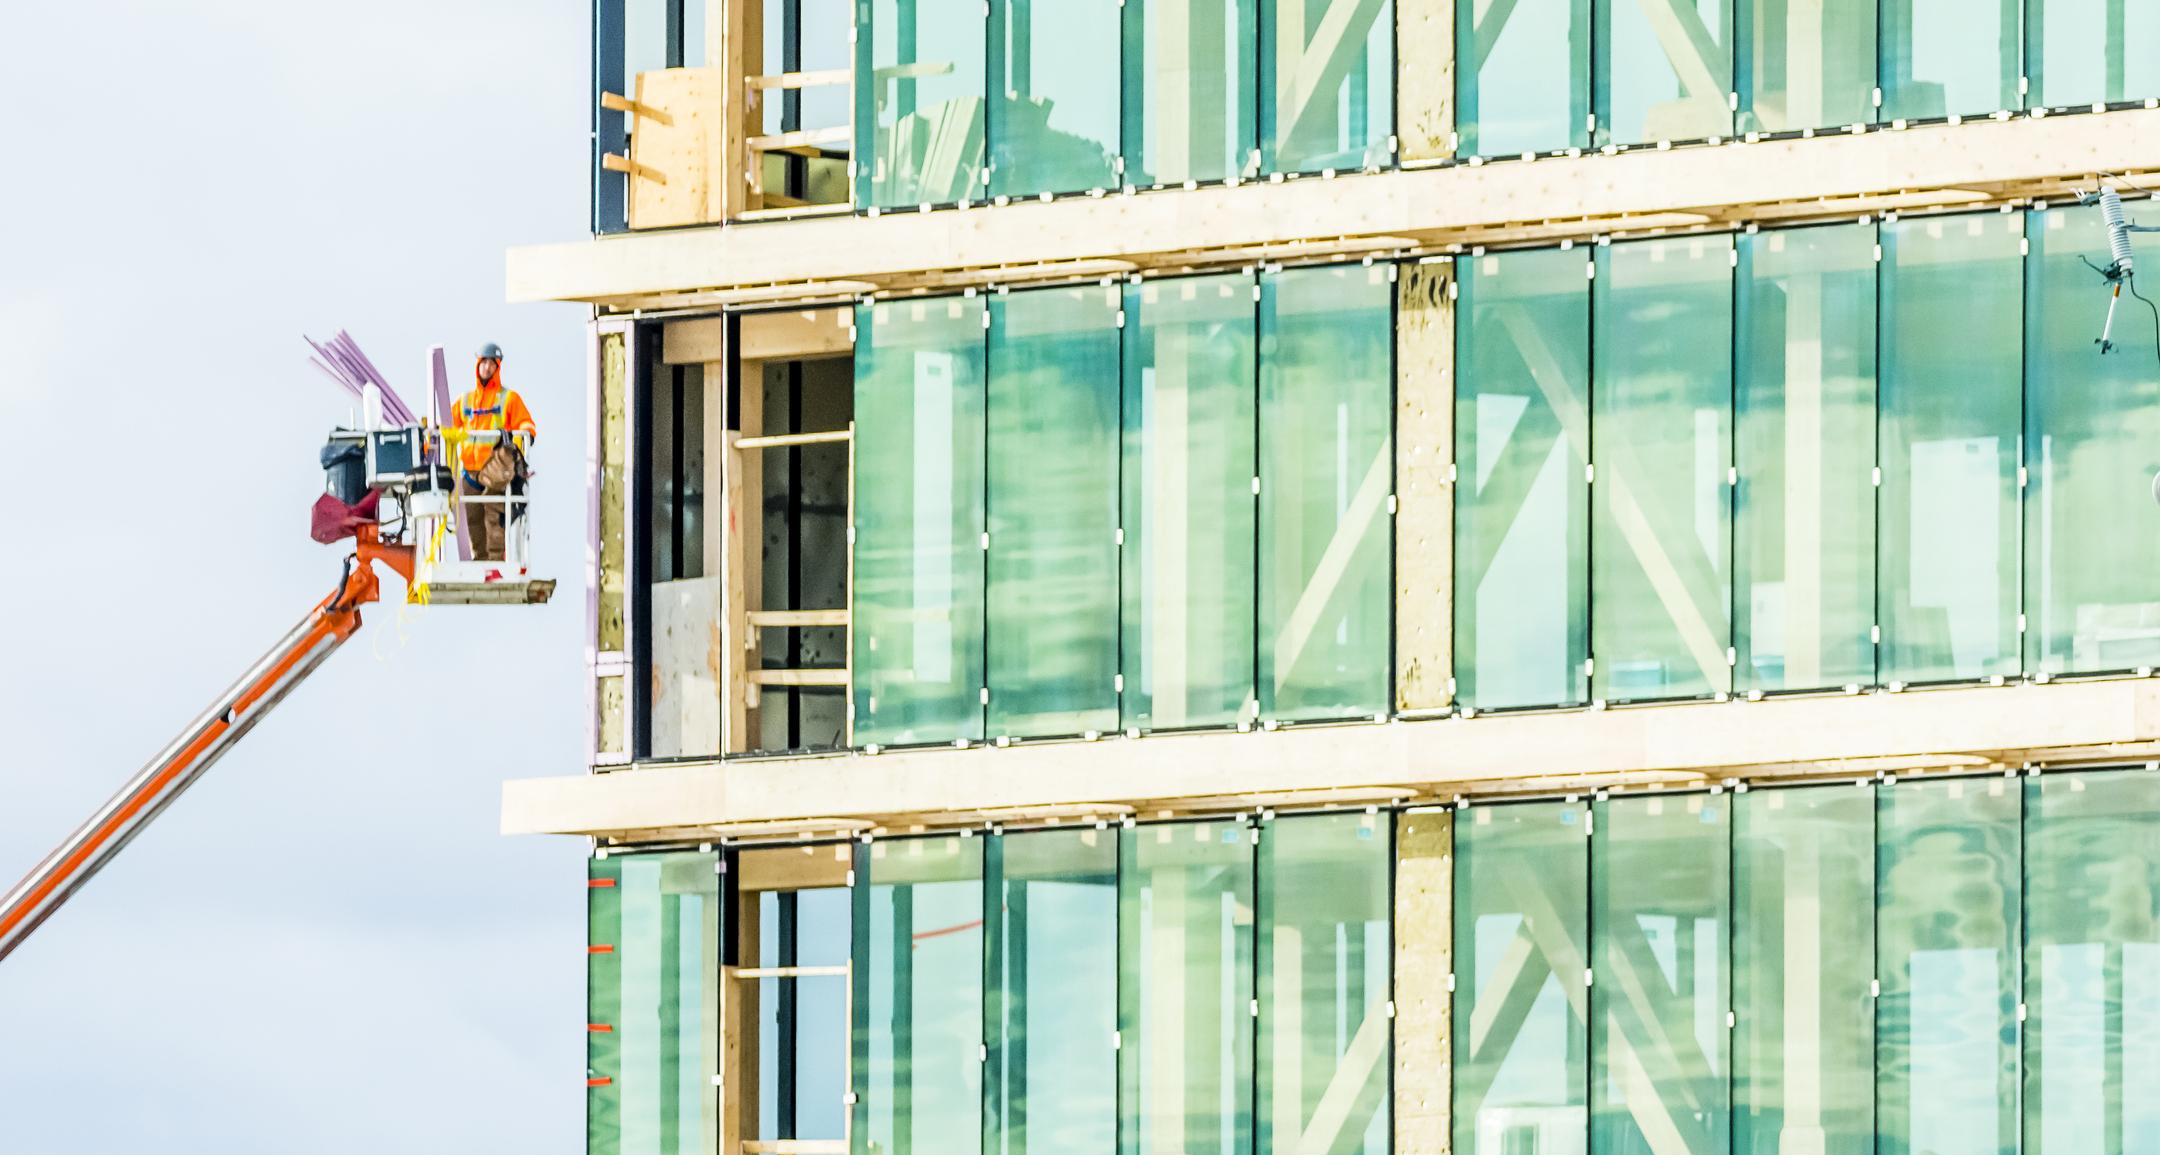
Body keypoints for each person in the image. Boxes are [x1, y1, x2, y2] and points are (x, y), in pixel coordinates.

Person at [450, 342, 537, 561]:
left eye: (492, 364)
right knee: (472, 519)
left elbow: (526, 425)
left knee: (494, 515)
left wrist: (516, 446)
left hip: (495, 469)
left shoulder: (509, 398)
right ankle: (479, 563)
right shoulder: (465, 401)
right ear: (477, 364)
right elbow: (447, 425)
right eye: (484, 362)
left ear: (498, 367)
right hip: (470, 471)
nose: (487, 368)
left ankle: (496, 562)